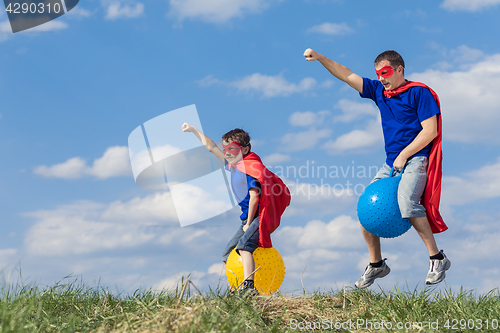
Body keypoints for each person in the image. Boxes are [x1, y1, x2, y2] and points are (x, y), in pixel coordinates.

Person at [303, 48, 450, 288]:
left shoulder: (419, 93)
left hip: (415, 159)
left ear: (399, 69)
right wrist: (320, 58)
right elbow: (347, 75)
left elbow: (430, 131)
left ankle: (437, 258)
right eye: (378, 74)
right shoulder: (379, 92)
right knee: (366, 208)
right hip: (391, 162)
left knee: (407, 203)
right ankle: (376, 264)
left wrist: (404, 154)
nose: (382, 78)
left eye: (386, 72)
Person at [182, 123, 291, 295]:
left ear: (245, 149)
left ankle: (249, 287)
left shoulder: (251, 169)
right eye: (225, 148)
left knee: (244, 246)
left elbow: (255, 197)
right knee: (227, 255)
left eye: (232, 148)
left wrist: (248, 223)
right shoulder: (234, 165)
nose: (226, 152)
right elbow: (211, 146)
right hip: (246, 218)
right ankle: (237, 287)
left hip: (256, 217)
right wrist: (194, 129)